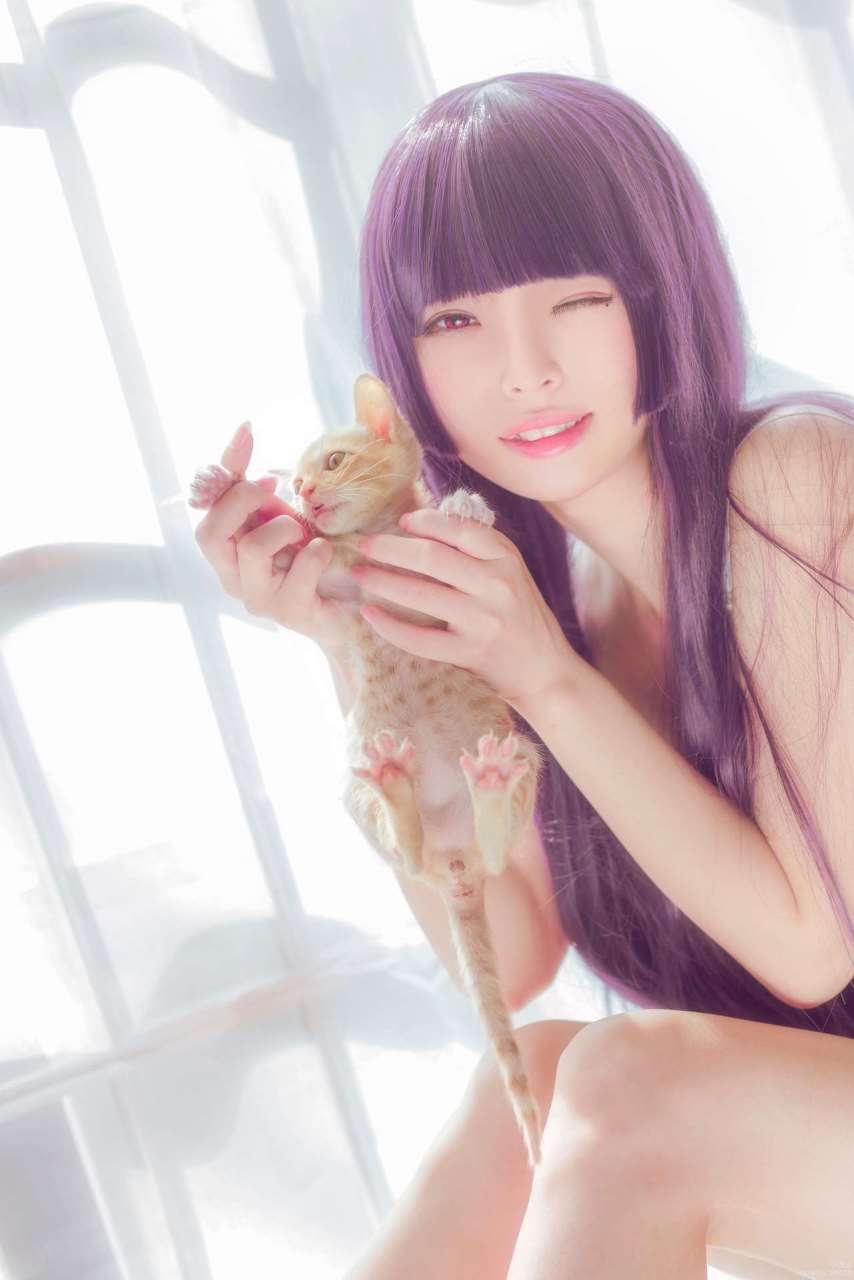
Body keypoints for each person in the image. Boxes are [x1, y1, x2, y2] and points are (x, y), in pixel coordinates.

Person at [194, 73, 854, 1280]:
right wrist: (357, 645)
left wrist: (543, 677)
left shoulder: (793, 478)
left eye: (577, 299)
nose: (524, 369)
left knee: (624, 1076)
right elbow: (503, 958)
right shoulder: (533, 595)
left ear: (659, 295)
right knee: (539, 1077)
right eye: (455, 322)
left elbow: (812, 948)